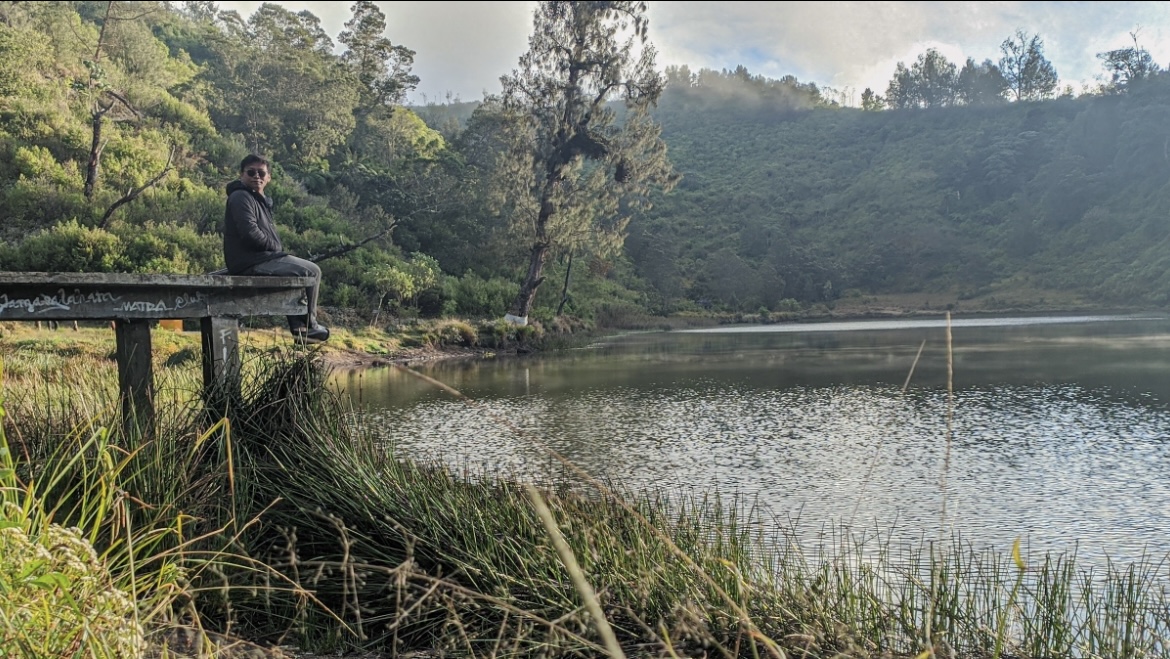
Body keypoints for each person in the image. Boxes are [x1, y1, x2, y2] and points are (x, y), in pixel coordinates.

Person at [222, 154, 329, 343]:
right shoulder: (240, 197)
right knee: (313, 271)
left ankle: (299, 327)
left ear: (268, 177)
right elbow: (249, 233)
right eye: (251, 172)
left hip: (259, 258)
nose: (257, 176)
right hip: (252, 261)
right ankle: (310, 326)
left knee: (297, 273)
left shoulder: (258, 199)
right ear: (241, 175)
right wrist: (276, 248)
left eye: (261, 173)